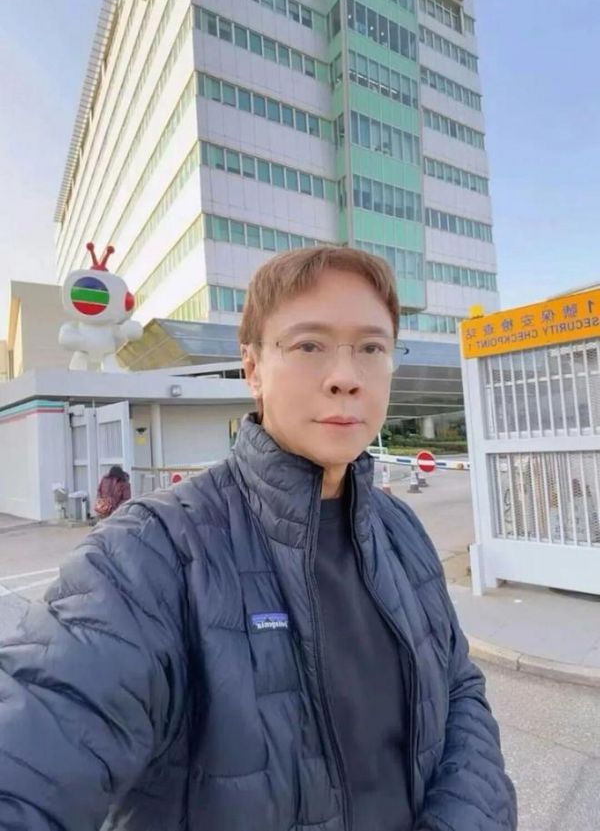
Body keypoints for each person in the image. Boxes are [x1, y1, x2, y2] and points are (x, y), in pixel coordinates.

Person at [0, 247, 517, 831]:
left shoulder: (401, 530)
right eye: (309, 345)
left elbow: (459, 691)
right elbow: (40, 739)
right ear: (252, 369)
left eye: (371, 348)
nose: (346, 377)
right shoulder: (152, 554)